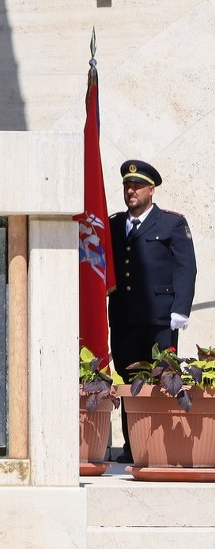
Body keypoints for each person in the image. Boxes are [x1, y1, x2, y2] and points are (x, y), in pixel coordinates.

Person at [109, 159, 197, 461]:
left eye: (137, 186)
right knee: (127, 380)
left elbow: (186, 268)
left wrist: (181, 309)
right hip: (124, 319)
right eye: (127, 186)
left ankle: (160, 446)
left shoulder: (171, 223)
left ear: (151, 190)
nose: (130, 191)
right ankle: (133, 446)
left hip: (160, 320)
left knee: (161, 380)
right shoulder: (114, 224)